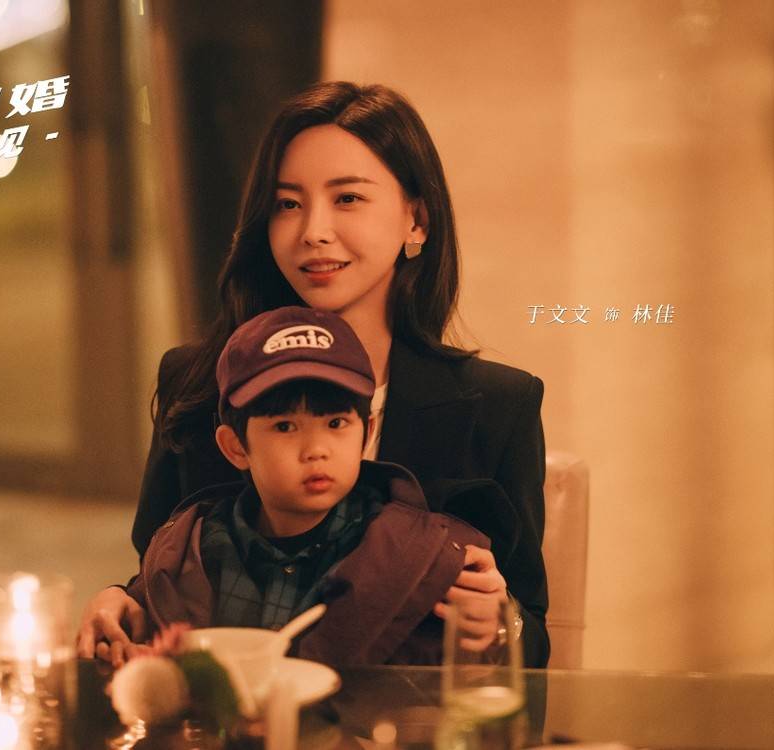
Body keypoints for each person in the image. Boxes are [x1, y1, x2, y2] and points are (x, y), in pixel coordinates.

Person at [78, 80, 549, 667]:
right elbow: (165, 572)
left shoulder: (497, 405)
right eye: (287, 204)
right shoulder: (198, 382)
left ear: (417, 220)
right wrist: (120, 601)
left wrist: (500, 622)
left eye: (347, 198)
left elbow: (534, 636)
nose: (313, 231)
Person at [123, 306, 503, 665]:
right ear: (235, 446)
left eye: (336, 423)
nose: (316, 450)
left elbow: (470, 676)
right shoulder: (186, 554)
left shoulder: (424, 558)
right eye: (285, 426)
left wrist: (495, 630)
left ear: (367, 431)